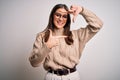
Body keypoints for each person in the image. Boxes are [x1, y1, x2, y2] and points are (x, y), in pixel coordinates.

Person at [29, 4, 103, 80]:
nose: (61, 19)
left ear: (67, 19)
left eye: (64, 16)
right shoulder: (41, 36)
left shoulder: (77, 35)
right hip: (52, 77)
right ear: (52, 16)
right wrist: (46, 47)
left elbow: (98, 25)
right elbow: (34, 63)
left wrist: (82, 10)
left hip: (72, 77)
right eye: (58, 15)